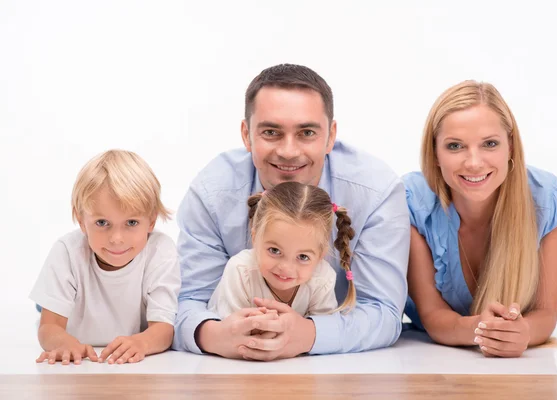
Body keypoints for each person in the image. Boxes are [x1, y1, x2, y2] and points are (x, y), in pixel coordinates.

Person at [174, 63, 410, 360]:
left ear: (330, 135)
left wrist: (307, 335)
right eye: (271, 132)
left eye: (307, 132)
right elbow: (187, 301)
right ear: (247, 135)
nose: (288, 151)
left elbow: (384, 312)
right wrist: (214, 335)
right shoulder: (211, 192)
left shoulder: (376, 190)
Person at [403, 80, 557, 357]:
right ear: (435, 154)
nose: (474, 162)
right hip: (429, 362)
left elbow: (545, 313)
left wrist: (524, 333)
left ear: (510, 147)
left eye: (490, 144)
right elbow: (433, 316)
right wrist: (483, 330)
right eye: (455, 146)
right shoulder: (411, 203)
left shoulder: (551, 201)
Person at [30, 150, 181, 365]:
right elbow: (48, 326)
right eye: (102, 223)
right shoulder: (67, 251)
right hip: (78, 326)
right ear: (81, 220)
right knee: (48, 304)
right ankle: (46, 298)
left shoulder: (161, 251)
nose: (116, 239)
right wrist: (62, 342)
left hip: (118, 354)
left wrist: (142, 343)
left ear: (151, 220)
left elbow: (164, 328)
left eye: (131, 223)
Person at [208, 181, 356, 319]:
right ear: (255, 238)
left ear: (320, 255)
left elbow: (322, 332)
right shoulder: (240, 270)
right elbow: (231, 331)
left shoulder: (322, 278)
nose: (286, 268)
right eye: (274, 250)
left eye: (303, 257)